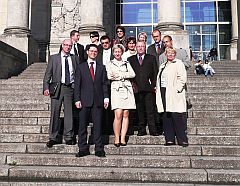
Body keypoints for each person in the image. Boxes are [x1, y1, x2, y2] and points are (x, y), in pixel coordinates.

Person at [43, 39, 79, 148]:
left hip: (70, 88)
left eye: (70, 45)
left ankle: (69, 137)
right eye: (66, 45)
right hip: (57, 88)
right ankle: (53, 137)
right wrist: (46, 87)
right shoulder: (54, 58)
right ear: (62, 46)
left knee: (69, 114)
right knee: (55, 113)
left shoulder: (75, 58)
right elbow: (47, 74)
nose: (68, 47)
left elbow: (78, 75)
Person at [74, 44, 109, 158]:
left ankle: (99, 149)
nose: (93, 53)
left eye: (95, 51)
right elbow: (77, 85)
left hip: (98, 101)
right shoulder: (81, 67)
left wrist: (106, 97)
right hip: (84, 100)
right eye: (91, 51)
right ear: (87, 52)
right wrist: (77, 99)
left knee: (98, 126)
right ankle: (83, 148)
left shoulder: (101, 67)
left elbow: (104, 84)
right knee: (82, 126)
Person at [156, 47, 188, 147]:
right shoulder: (163, 65)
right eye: (168, 53)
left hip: (173, 92)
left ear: (175, 54)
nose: (170, 54)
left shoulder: (178, 63)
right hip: (163, 91)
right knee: (166, 115)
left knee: (176, 115)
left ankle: (182, 139)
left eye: (172, 53)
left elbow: (182, 77)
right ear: (165, 54)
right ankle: (169, 139)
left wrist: (177, 89)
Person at [106, 44, 136, 147]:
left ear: (122, 52)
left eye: (119, 51)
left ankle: (123, 138)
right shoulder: (109, 63)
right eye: (115, 52)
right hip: (116, 89)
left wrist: (120, 75)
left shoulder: (126, 63)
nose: (117, 53)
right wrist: (123, 75)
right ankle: (116, 137)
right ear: (113, 53)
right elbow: (110, 76)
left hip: (127, 89)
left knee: (126, 113)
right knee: (118, 113)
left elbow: (132, 74)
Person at [128, 41, 159, 136]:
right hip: (137, 89)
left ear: (145, 47)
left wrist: (153, 85)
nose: (140, 48)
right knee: (139, 110)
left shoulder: (151, 58)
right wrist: (133, 85)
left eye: (142, 46)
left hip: (149, 89)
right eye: (138, 46)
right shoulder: (130, 59)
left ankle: (153, 129)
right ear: (136, 48)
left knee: (150, 110)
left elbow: (155, 72)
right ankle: (141, 130)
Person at [96, 35, 114, 135]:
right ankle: (103, 128)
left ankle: (111, 128)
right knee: (103, 105)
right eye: (102, 43)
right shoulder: (99, 54)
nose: (104, 45)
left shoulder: (115, 52)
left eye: (106, 43)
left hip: (113, 82)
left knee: (112, 106)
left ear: (110, 42)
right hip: (102, 82)